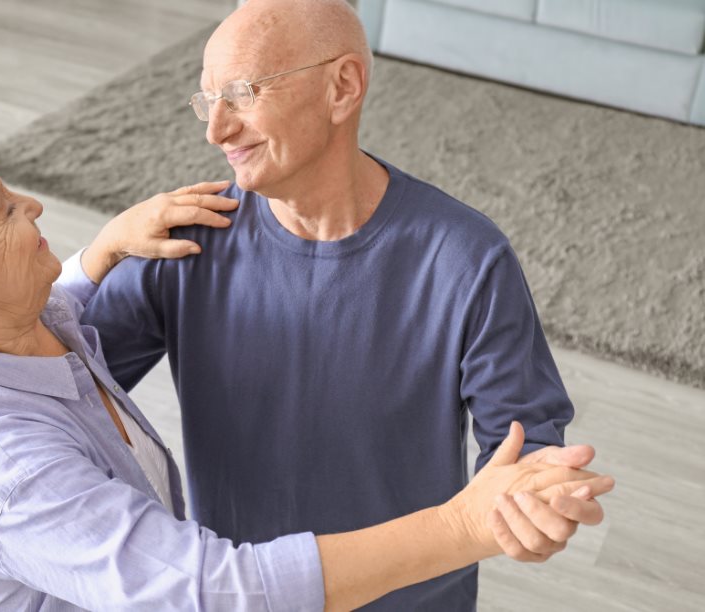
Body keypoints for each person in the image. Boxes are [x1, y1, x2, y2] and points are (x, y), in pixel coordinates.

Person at [0, 110, 611, 611]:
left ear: (342, 89)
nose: (35, 205)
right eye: (8, 212)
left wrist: (105, 248)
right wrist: (467, 523)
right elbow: (213, 594)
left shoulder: (10, 323)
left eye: (246, 93)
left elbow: (56, 318)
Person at [55, 0, 610, 608]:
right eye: (207, 100)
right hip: (244, 595)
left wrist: (530, 507)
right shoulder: (189, 239)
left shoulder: (467, 258)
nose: (216, 130)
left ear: (342, 87)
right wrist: (100, 253)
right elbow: (52, 385)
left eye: (241, 92)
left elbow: (524, 448)